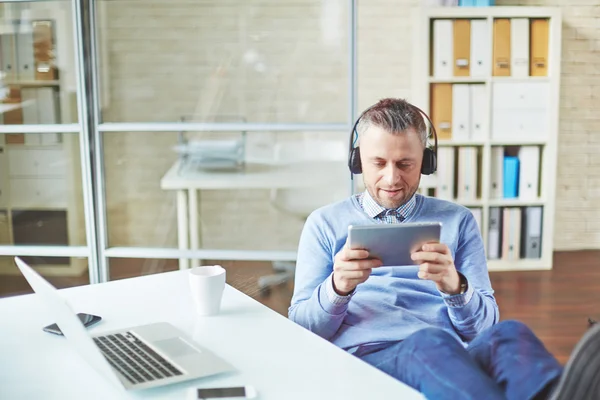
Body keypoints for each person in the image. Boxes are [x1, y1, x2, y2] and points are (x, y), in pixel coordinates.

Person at [288, 98, 600, 400]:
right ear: (357, 161)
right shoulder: (324, 224)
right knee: (429, 343)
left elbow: (483, 328)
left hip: (449, 355)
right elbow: (302, 327)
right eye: (379, 163)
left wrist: (455, 286)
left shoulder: (458, 221)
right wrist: (337, 288)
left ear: (426, 161)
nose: (392, 177)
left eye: (405, 164)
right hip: (371, 357)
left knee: (510, 334)